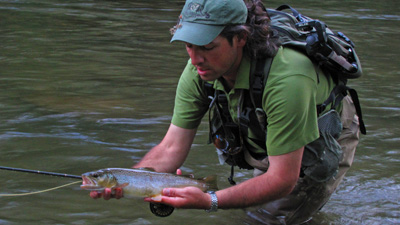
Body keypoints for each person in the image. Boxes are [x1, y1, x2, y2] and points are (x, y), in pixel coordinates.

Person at [91, 0, 361, 224]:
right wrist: (126, 181)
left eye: (207, 47)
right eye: (189, 45)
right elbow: (171, 147)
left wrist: (211, 201)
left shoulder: (288, 79)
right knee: (264, 209)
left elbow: (281, 179)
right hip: (270, 122)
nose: (195, 58)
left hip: (323, 132)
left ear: (241, 38)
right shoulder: (199, 69)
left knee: (264, 218)